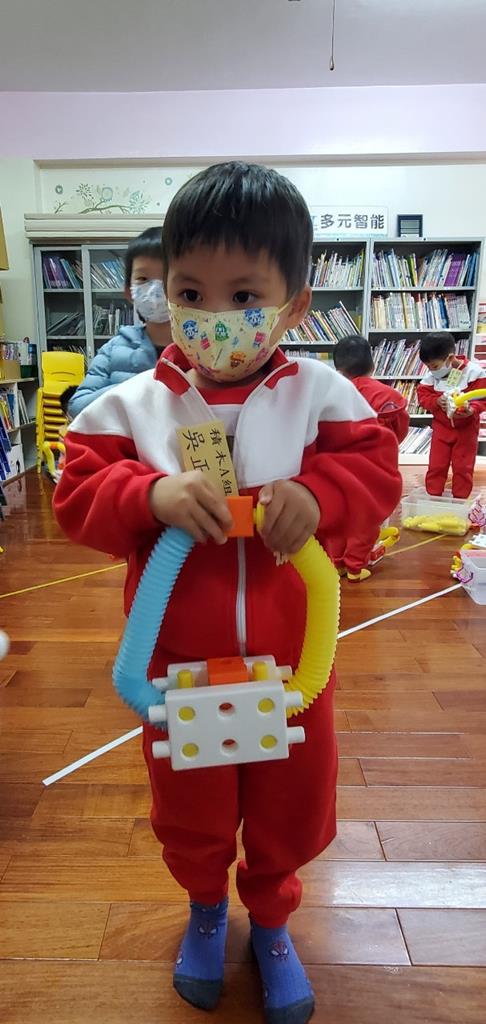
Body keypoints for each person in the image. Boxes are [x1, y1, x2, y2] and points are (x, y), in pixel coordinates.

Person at [54, 162, 401, 1024]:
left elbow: (376, 470)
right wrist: (148, 494)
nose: (214, 317)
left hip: (294, 665)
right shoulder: (131, 407)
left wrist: (319, 494)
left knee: (291, 801)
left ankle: (273, 920)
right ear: (165, 291)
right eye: (191, 293)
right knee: (192, 805)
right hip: (177, 666)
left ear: (293, 304)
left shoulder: (323, 396)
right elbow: (77, 496)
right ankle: (206, 908)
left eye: (244, 294)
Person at [68, 227, 172, 418]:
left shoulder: (198, 350)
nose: (155, 290)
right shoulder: (114, 349)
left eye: (165, 278)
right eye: (143, 279)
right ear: (128, 292)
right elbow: (78, 407)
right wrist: (133, 388)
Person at [332, 334, 408, 580]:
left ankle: (337, 562)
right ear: (373, 365)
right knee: (366, 518)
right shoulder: (389, 396)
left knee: (339, 516)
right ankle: (355, 567)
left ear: (338, 370)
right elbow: (399, 432)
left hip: (339, 467)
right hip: (375, 470)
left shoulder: (333, 394)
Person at [417, 331, 486, 498]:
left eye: (434, 366)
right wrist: (436, 401)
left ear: (450, 358)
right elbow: (423, 397)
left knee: (463, 467)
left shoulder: (474, 373)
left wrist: (472, 409)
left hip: (466, 430)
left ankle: (461, 500)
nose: (431, 370)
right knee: (436, 465)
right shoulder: (431, 376)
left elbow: (482, 398)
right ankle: (432, 497)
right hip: (441, 428)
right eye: (428, 366)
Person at [333, 334, 409, 443]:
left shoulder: (334, 396)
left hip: (346, 452)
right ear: (373, 367)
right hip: (383, 451)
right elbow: (401, 431)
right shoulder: (392, 395)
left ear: (339, 371)